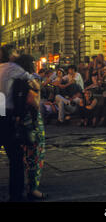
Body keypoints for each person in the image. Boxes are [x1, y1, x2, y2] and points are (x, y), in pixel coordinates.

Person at [0, 46, 32, 201]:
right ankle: (16, 194)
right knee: (16, 156)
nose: (18, 55)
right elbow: (32, 79)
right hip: (6, 116)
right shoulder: (13, 67)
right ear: (11, 55)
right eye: (16, 53)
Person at [13, 54, 47, 201]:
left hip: (15, 120)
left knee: (20, 155)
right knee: (35, 153)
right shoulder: (30, 80)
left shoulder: (11, 78)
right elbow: (33, 100)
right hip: (31, 120)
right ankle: (32, 188)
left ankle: (20, 186)